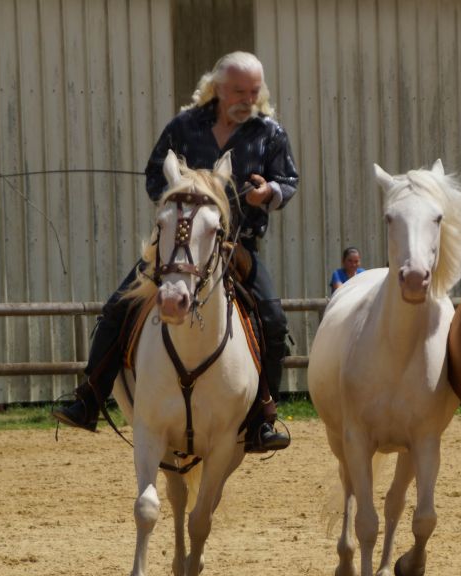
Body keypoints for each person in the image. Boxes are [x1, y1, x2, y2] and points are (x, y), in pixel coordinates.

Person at [52, 51, 299, 452]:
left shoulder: (269, 133)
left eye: (255, 91)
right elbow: (155, 175)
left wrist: (268, 192)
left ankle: (262, 417)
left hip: (238, 247)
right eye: (239, 90)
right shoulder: (183, 126)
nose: (248, 99)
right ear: (217, 88)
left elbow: (288, 179)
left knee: (273, 320)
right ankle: (90, 397)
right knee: (117, 307)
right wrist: (180, 193)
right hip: (177, 247)